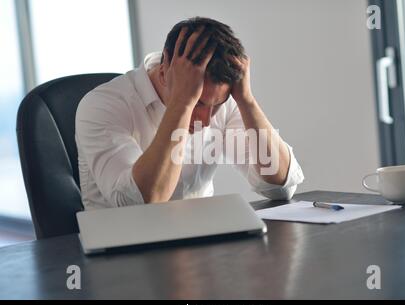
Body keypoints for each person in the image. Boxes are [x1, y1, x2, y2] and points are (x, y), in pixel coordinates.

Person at [75, 17, 304, 210]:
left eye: (216, 105)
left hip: (201, 248)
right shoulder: (101, 105)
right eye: (198, 104)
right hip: (122, 256)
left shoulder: (221, 102)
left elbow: (280, 186)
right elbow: (141, 203)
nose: (206, 121)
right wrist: (183, 103)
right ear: (165, 69)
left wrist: (247, 101)